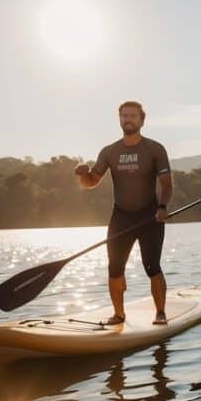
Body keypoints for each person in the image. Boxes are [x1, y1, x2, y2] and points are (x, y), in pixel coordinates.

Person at [75, 101, 172, 326]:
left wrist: (162, 207)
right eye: (124, 116)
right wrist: (82, 175)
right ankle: (119, 315)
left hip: (150, 216)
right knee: (114, 268)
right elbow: (91, 182)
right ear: (119, 119)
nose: (128, 119)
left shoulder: (155, 149)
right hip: (121, 217)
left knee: (152, 266)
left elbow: (166, 184)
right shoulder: (110, 151)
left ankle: (160, 313)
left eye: (132, 116)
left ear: (142, 120)